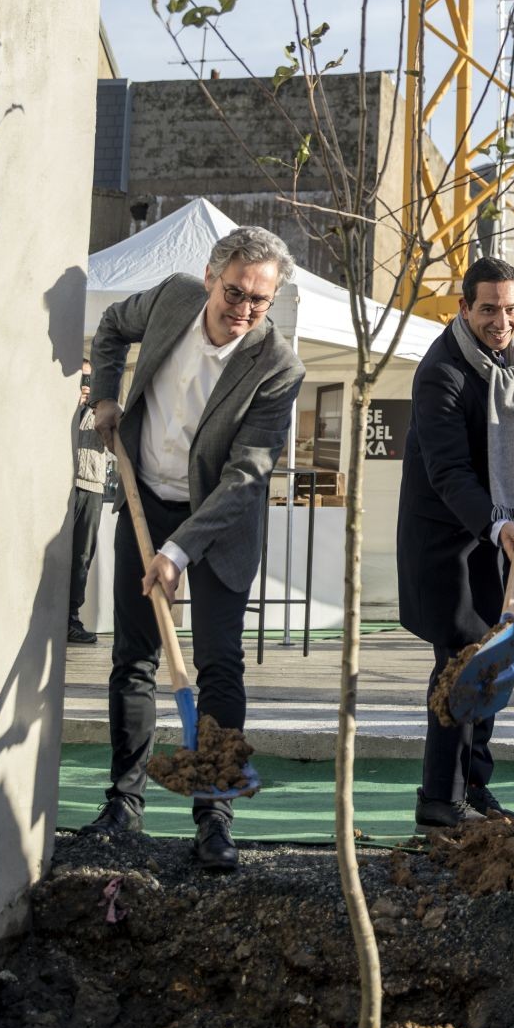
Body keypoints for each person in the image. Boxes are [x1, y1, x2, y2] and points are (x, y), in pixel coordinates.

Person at [85, 226, 305, 870]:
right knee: (134, 658)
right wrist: (107, 395)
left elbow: (246, 476)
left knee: (218, 665)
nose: (244, 309)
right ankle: (124, 801)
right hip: (144, 500)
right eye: (234, 292)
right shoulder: (173, 299)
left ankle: (214, 815)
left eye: (259, 300)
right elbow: (110, 327)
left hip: (219, 525)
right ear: (211, 277)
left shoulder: (277, 365)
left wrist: (178, 552)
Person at [397, 258, 514, 828]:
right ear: (464, 308)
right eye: (488, 310)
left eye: (510, 310)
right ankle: (441, 799)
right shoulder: (440, 372)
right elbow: (448, 472)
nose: (501, 322)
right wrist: (495, 524)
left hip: (503, 532)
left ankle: (475, 786)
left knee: (494, 660)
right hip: (450, 540)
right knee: (461, 665)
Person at [68, 360, 109, 645]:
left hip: (91, 486)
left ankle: (71, 618)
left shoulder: (102, 409)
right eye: (81, 378)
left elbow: (116, 444)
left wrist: (94, 408)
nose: (85, 384)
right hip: (61, 487)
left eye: (89, 379)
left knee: (82, 555)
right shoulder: (63, 407)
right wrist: (74, 407)